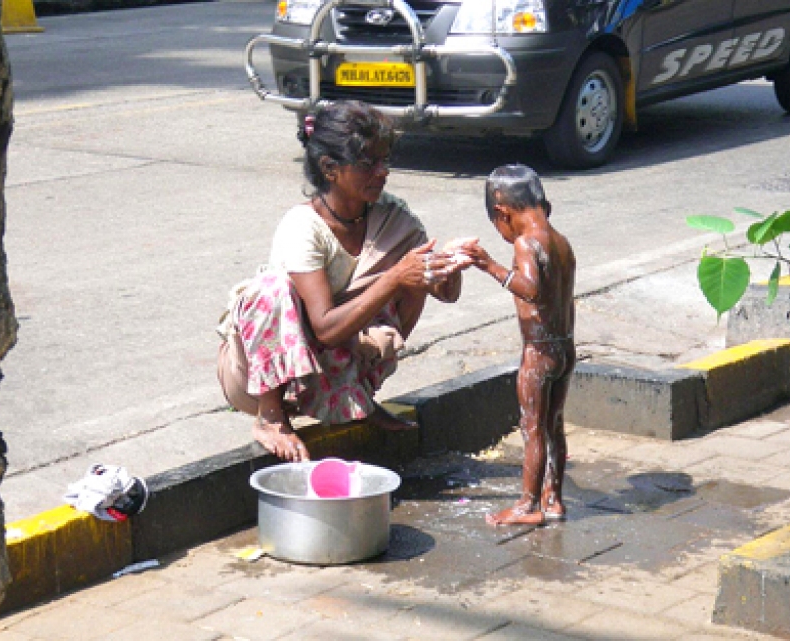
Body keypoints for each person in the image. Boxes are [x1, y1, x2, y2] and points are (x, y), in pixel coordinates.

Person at [216, 100, 468, 462]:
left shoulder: (392, 218)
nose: (382, 172)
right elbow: (325, 328)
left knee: (408, 279)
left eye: (385, 161)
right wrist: (396, 276)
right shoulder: (302, 227)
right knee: (271, 289)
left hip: (334, 368)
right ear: (330, 169)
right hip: (260, 378)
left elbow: (441, 291)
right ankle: (270, 418)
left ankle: (359, 395)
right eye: (368, 164)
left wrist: (452, 265)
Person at [462, 164, 576, 526]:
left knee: (533, 428)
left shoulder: (527, 244)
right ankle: (553, 498)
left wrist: (490, 265)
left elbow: (531, 289)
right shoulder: (561, 243)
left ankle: (528, 505)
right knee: (554, 424)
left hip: (540, 351)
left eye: (500, 228)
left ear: (503, 213)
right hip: (565, 347)